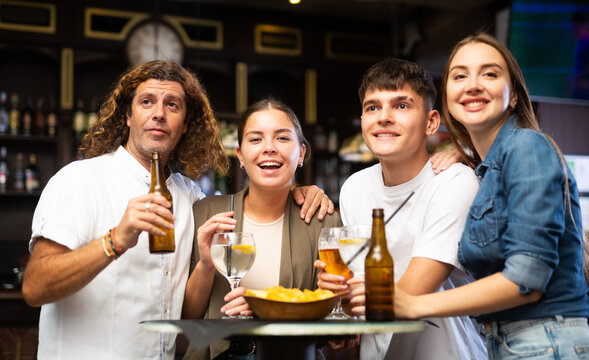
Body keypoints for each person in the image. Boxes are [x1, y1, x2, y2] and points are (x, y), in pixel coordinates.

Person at [21, 61, 332, 360]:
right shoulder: (80, 180)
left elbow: (254, 200)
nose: (159, 113)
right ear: (128, 115)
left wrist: (295, 190)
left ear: (185, 125)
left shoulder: (190, 197)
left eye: (172, 105)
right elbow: (35, 287)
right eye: (147, 101)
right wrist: (115, 240)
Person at [394, 33, 589, 359]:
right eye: (459, 76)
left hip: (544, 338)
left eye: (490, 73)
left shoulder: (527, 147)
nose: (472, 84)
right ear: (448, 99)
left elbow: (526, 280)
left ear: (513, 97)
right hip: (514, 341)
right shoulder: (488, 167)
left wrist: (414, 304)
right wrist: (469, 157)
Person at [316, 58, 486, 360]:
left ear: (431, 122)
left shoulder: (455, 181)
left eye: (402, 106)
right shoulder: (353, 188)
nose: (384, 117)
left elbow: (411, 292)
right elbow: (362, 291)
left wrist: (350, 299)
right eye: (372, 107)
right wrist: (337, 296)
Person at [182, 99, 342, 360]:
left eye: (281, 138)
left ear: (301, 154)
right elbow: (188, 316)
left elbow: (336, 317)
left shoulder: (322, 220)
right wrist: (206, 265)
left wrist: (262, 309)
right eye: (255, 140)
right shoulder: (206, 212)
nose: (269, 148)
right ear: (241, 156)